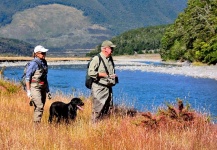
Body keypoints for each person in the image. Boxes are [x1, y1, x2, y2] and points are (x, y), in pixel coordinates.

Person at [88, 40, 118, 123]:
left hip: (108, 88)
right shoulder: (97, 59)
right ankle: (93, 129)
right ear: (105, 49)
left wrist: (113, 77)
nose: (112, 50)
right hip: (99, 88)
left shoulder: (110, 59)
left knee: (107, 110)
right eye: (111, 48)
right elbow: (90, 72)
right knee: (97, 110)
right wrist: (102, 74)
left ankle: (102, 127)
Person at [25, 45, 51, 123]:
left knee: (41, 106)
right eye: (42, 53)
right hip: (35, 87)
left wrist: (48, 90)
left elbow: (45, 77)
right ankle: (36, 126)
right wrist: (28, 92)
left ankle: (37, 122)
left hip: (43, 87)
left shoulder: (44, 62)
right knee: (39, 106)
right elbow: (27, 78)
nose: (44, 54)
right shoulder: (33, 63)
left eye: (45, 53)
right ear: (37, 54)